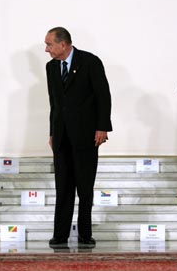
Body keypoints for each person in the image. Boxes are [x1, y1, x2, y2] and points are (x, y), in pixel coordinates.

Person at [44, 27, 112, 248]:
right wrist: (53, 132)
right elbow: (54, 103)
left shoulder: (90, 62)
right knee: (62, 187)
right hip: (62, 136)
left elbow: (103, 96)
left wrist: (102, 127)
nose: (47, 49)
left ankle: (85, 233)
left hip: (86, 136)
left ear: (63, 44)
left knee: (84, 187)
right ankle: (60, 234)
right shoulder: (51, 67)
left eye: (49, 44)